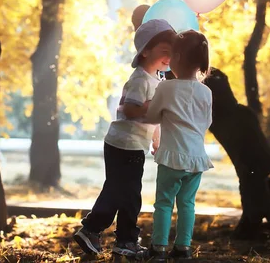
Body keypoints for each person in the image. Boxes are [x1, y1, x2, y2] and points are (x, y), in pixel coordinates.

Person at [74, 18, 176, 259]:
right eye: (164, 51)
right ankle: (99, 231)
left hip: (129, 145)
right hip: (124, 145)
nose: (169, 57)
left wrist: (156, 137)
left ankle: (120, 238)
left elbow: (154, 119)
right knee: (125, 194)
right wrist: (149, 107)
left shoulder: (156, 80)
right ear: (145, 52)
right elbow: (130, 110)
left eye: (172, 53)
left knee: (123, 192)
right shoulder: (140, 79)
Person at [144, 30, 213, 261]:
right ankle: (183, 248)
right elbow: (207, 122)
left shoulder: (166, 88)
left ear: (179, 57)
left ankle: (159, 247)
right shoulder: (206, 92)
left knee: (164, 202)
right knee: (187, 204)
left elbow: (152, 117)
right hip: (196, 159)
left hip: (172, 157)